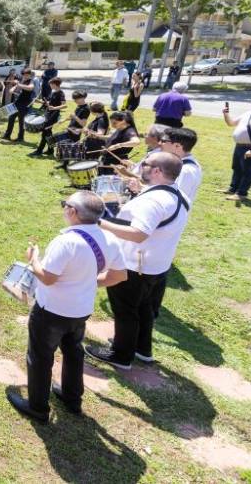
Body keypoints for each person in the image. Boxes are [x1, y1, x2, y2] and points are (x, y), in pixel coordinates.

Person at [5, 192, 127, 422]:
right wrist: (88, 282)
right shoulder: (109, 239)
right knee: (73, 351)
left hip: (52, 310)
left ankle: (37, 407)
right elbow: (119, 275)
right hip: (81, 309)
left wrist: (34, 260)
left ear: (73, 212)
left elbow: (48, 278)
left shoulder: (66, 241)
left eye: (65, 204)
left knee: (40, 356)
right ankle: (72, 399)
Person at [88, 152, 190, 369]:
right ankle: (142, 349)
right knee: (143, 308)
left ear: (157, 171)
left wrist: (99, 223)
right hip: (157, 265)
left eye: (146, 163)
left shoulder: (153, 201)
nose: (140, 165)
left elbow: (139, 233)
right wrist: (140, 190)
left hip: (135, 264)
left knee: (125, 311)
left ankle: (121, 355)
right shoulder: (177, 194)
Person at [221, 94, 251, 202]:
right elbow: (231, 123)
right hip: (239, 146)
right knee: (237, 168)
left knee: (247, 171)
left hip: (250, 147)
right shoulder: (249, 113)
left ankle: (242, 193)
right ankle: (233, 189)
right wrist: (226, 114)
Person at [158, 128, 202, 204]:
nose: (159, 143)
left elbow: (175, 198)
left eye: (164, 141)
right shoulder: (180, 164)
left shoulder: (185, 170)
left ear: (177, 146)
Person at [30, 78, 67, 157]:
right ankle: (51, 150)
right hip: (48, 114)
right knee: (48, 133)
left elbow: (64, 105)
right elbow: (50, 103)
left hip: (53, 115)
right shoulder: (54, 93)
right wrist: (40, 101)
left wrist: (54, 108)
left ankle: (39, 150)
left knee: (45, 132)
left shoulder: (61, 93)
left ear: (54, 84)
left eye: (51, 84)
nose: (50, 85)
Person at [96, 111, 140, 176]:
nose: (112, 125)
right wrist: (97, 136)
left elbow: (136, 142)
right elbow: (112, 138)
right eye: (111, 123)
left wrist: (119, 145)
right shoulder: (120, 128)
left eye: (114, 123)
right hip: (107, 162)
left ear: (123, 121)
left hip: (116, 164)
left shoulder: (129, 131)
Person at [2, 69, 36, 143]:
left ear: (30, 75)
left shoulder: (31, 81)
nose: (25, 76)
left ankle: (20, 138)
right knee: (11, 118)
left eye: (27, 74)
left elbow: (30, 88)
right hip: (17, 102)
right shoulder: (22, 81)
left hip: (24, 104)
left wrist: (18, 84)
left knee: (21, 121)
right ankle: (7, 135)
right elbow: (13, 89)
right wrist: (13, 88)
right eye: (24, 74)